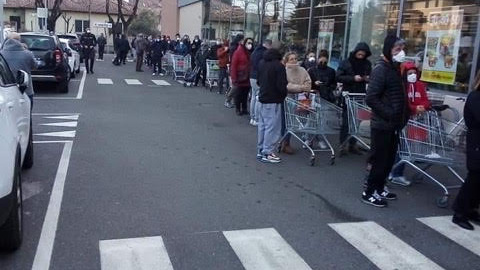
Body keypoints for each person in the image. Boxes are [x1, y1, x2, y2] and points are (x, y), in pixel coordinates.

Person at [362, 35, 409, 207]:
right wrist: (390, 113)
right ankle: (368, 192)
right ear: (388, 50)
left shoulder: (396, 69)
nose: (401, 52)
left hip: (394, 124)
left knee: (389, 159)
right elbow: (371, 98)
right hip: (382, 123)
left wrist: (404, 114)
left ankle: (380, 187)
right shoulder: (381, 69)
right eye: (397, 49)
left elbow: (397, 95)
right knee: (379, 160)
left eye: (403, 48)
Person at [388, 61, 431, 186]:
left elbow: (426, 100)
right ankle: (395, 173)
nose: (412, 75)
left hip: (415, 121)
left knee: (405, 149)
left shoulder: (420, 85)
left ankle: (395, 172)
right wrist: (414, 108)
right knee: (400, 149)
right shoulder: (401, 86)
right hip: (402, 120)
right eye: (409, 73)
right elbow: (402, 102)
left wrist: (423, 106)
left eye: (414, 73)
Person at [451, 71, 480, 230]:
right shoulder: (475, 96)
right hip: (476, 142)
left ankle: (471, 209)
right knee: (474, 177)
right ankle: (459, 212)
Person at [337, 42, 372, 155]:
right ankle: (342, 145)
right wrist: (352, 78)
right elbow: (338, 76)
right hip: (348, 94)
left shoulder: (367, 64)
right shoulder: (346, 63)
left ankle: (353, 144)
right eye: (359, 53)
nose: (361, 55)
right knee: (346, 122)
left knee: (356, 121)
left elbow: (371, 76)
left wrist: (367, 78)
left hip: (360, 94)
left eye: (363, 54)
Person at [257, 47, 288, 163]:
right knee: (272, 127)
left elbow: (259, 81)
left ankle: (261, 150)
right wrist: (283, 95)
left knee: (263, 126)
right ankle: (268, 152)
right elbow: (281, 85)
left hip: (262, 98)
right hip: (273, 99)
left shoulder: (262, 63)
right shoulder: (279, 67)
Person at [282, 51, 312, 153]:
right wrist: (301, 87)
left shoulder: (302, 70)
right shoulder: (284, 71)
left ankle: (304, 137)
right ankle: (285, 142)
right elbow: (286, 86)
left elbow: (308, 83)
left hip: (302, 98)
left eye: (295, 58)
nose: (294, 60)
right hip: (288, 98)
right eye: (291, 59)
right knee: (288, 121)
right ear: (287, 60)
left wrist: (299, 88)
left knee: (301, 120)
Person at [1, 33, 36, 107]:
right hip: (25, 89)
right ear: (19, 41)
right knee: (26, 114)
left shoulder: (1, 54)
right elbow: (35, 66)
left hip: (5, 88)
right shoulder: (27, 54)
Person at [250, 39, 272, 126]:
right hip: (259, 77)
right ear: (268, 45)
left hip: (252, 76)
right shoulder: (265, 54)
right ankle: (257, 118)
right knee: (259, 98)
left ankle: (252, 117)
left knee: (253, 97)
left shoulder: (255, 51)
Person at [230, 35, 252, 115]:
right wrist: (234, 78)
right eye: (248, 43)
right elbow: (234, 66)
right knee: (238, 94)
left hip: (247, 76)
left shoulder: (248, 52)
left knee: (245, 94)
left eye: (251, 43)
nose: (250, 45)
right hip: (240, 76)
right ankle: (238, 108)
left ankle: (244, 108)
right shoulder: (238, 52)